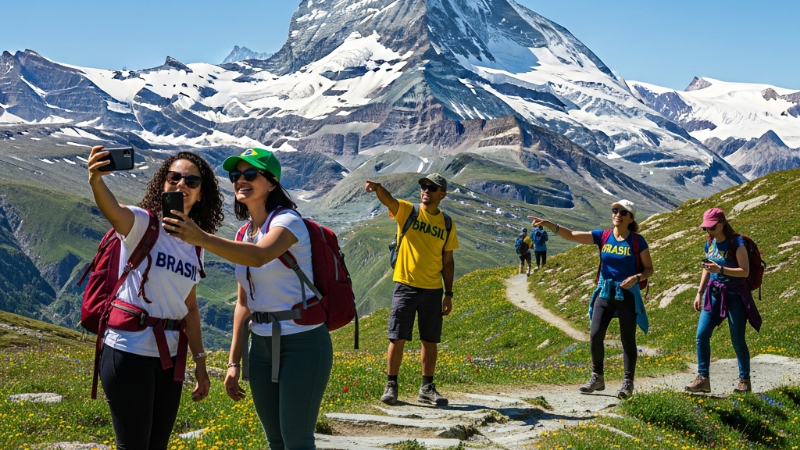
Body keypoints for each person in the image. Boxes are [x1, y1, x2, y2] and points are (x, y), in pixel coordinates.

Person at [166, 148, 332, 450]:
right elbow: (244, 305)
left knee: (296, 439)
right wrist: (233, 363)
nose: (241, 180)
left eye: (250, 174)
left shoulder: (289, 221)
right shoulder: (243, 234)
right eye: (235, 175)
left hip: (304, 341)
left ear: (271, 183)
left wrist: (200, 237)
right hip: (262, 346)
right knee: (275, 440)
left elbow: (260, 256)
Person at [87, 146, 223, 449]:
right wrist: (96, 179)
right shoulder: (141, 224)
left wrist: (200, 363)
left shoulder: (195, 243)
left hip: (170, 358)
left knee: (158, 444)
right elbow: (113, 209)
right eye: (174, 178)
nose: (181, 185)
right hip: (127, 351)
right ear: (163, 183)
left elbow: (189, 308)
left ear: (202, 193)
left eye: (191, 182)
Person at [529, 199, 653, 399]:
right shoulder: (603, 236)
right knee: (595, 335)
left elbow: (649, 269)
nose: (617, 215)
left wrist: (637, 278)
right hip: (604, 292)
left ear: (631, 218)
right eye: (615, 211)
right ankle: (597, 378)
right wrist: (548, 224)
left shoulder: (638, 241)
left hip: (627, 294)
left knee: (627, 339)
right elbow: (571, 235)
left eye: (623, 212)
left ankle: (628, 383)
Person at [365, 173, 459, 407]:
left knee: (430, 340)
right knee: (397, 336)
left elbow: (448, 260)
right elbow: (390, 201)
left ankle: (427, 388)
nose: (426, 190)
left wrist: (449, 293)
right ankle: (391, 385)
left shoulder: (447, 223)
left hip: (433, 289)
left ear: (442, 194)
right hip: (405, 285)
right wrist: (378, 188)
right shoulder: (408, 211)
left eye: (431, 187)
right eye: (424, 186)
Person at [685, 208, 761, 394]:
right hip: (713, 294)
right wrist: (699, 292)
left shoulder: (737, 242)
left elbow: (745, 271)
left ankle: (745, 381)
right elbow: (706, 267)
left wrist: (721, 270)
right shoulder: (710, 242)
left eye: (711, 227)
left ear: (722, 223)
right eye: (706, 228)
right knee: (701, 335)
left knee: (737, 339)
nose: (708, 231)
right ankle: (703, 379)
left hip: (736, 295)